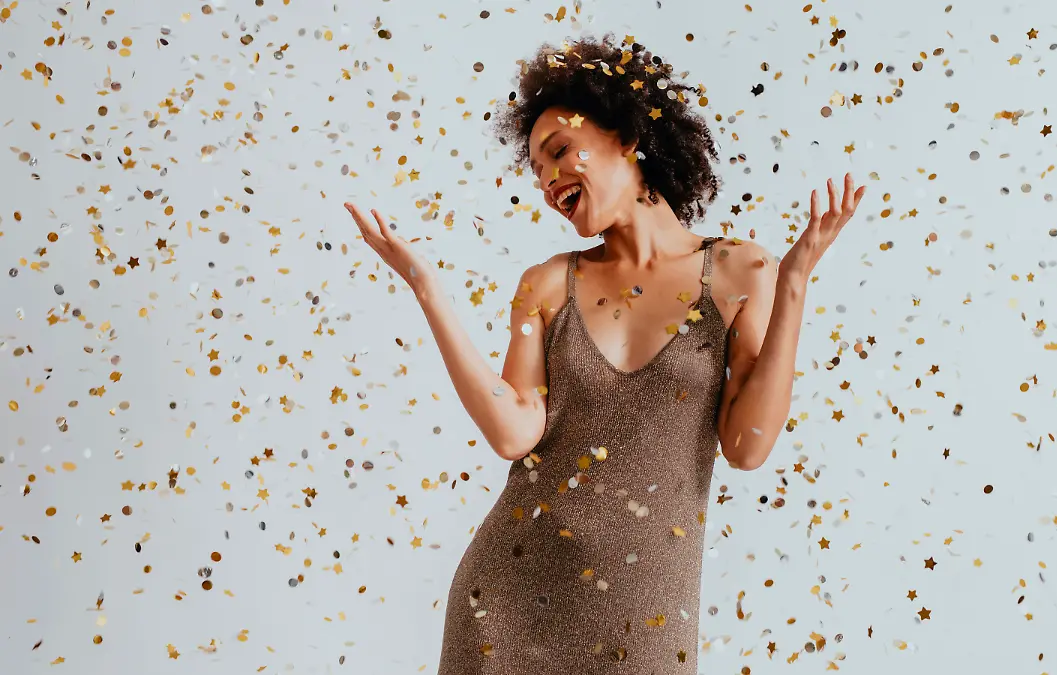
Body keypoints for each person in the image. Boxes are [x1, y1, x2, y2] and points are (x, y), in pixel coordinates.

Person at [345, 32, 864, 675]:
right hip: (507, 603)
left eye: (560, 151)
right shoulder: (546, 284)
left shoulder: (739, 271)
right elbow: (513, 432)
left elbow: (748, 447)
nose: (548, 180)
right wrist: (426, 289)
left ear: (625, 135)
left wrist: (793, 286)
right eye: (536, 170)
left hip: (646, 618)